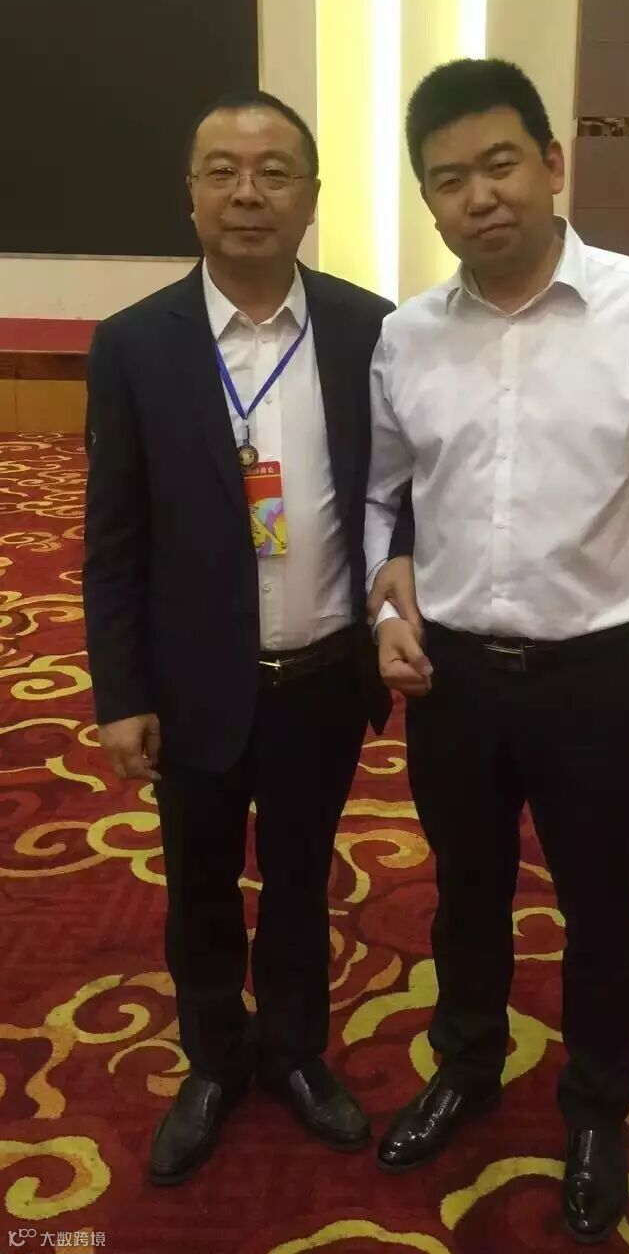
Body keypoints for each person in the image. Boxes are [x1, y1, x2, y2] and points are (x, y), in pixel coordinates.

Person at [365, 59, 629, 1244]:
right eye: (448, 179)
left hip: (599, 679)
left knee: (601, 910)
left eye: (500, 164)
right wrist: (385, 602)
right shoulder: (407, 336)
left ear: (552, 163)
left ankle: (595, 1108)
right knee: (463, 893)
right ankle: (467, 1065)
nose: (479, 196)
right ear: (429, 200)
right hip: (457, 680)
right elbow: (383, 500)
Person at [83, 90, 413, 1186]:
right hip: (191, 684)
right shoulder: (135, 345)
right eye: (221, 170)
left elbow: (401, 495)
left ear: (312, 196)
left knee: (304, 879)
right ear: (190, 195)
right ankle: (214, 1059)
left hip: (323, 676)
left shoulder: (371, 329)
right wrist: (121, 692)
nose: (247, 193)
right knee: (200, 884)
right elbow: (113, 540)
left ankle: (297, 1052)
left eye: (274, 171)